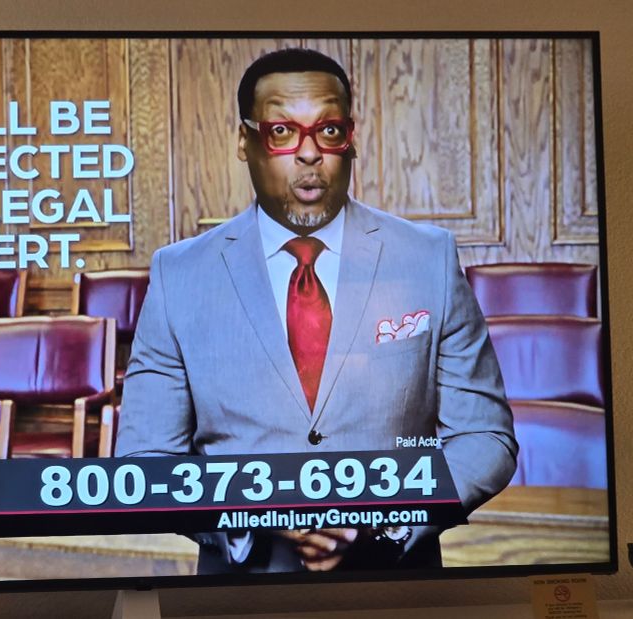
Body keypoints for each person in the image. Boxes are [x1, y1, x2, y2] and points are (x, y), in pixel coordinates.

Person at [116, 48, 517, 574]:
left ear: (350, 139)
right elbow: (146, 463)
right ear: (245, 140)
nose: (309, 154)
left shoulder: (428, 258)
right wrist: (249, 512)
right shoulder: (179, 275)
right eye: (282, 131)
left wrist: (386, 517)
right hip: (237, 595)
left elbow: (485, 438)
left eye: (328, 131)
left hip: (398, 588)